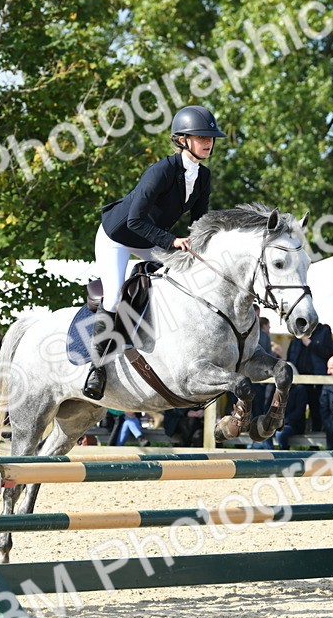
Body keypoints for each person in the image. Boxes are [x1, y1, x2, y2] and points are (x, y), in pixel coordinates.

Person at [84, 104, 227, 400]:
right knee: (113, 296)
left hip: (150, 238)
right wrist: (172, 241)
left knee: (183, 279)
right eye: (202, 137)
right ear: (182, 140)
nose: (208, 142)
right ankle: (96, 368)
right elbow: (134, 220)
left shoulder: (203, 176)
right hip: (117, 236)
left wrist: (208, 244)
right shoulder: (161, 171)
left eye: (210, 138)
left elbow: (199, 222)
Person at [282, 322, 333, 436]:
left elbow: (328, 352)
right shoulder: (297, 333)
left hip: (317, 379)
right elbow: (291, 354)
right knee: (298, 407)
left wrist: (311, 344)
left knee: (316, 408)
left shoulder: (323, 332)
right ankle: (297, 431)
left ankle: (317, 433)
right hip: (299, 379)